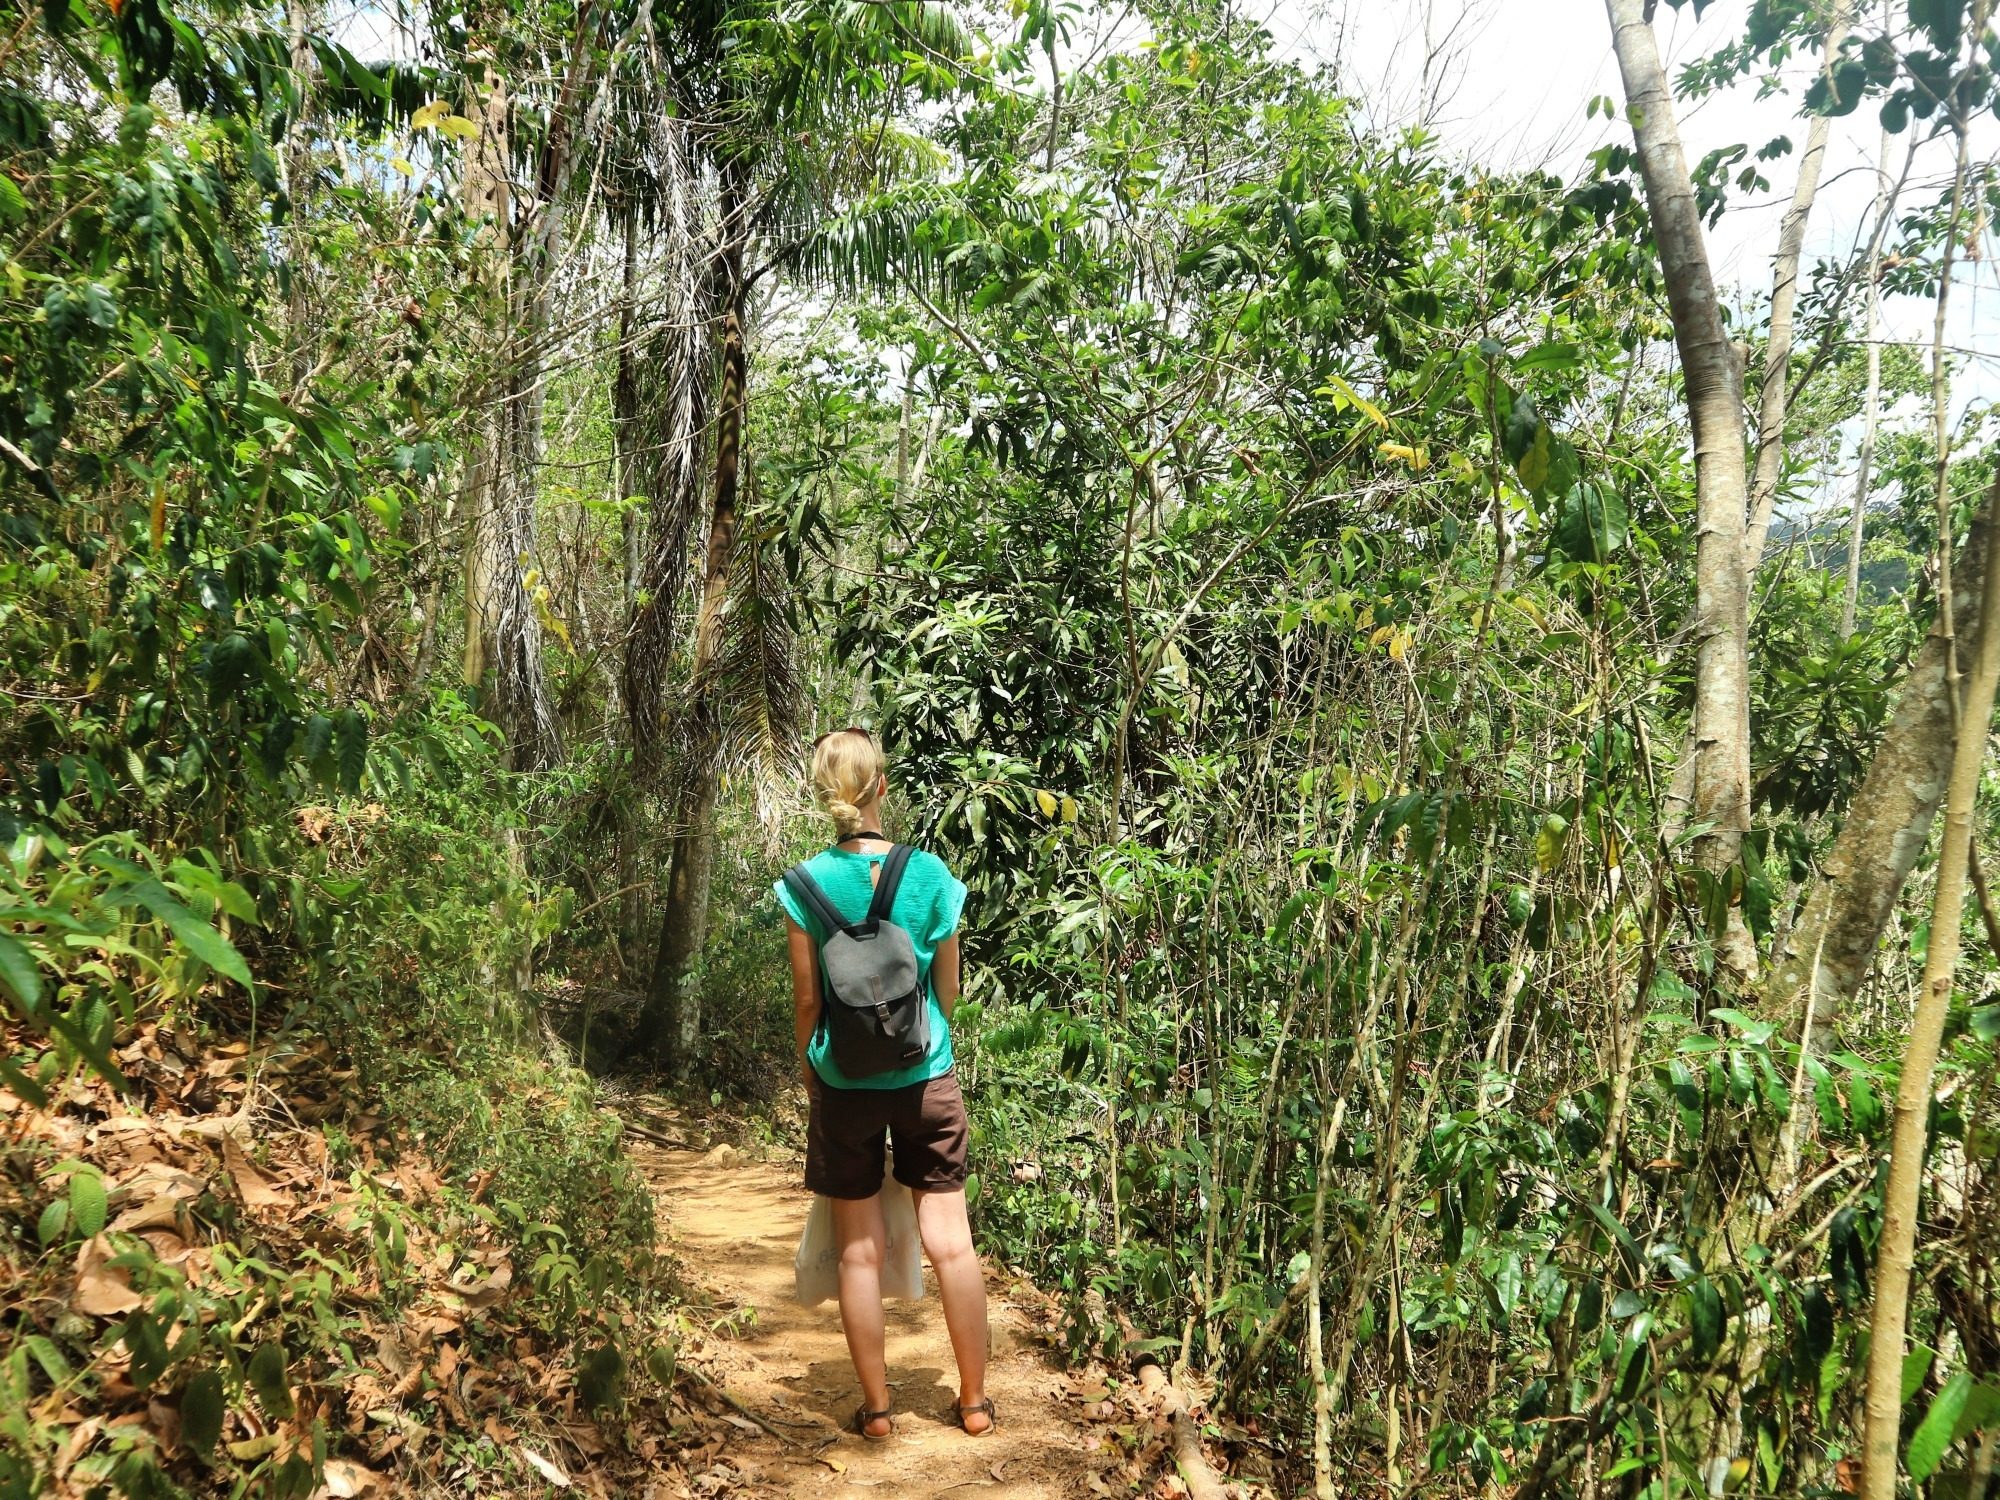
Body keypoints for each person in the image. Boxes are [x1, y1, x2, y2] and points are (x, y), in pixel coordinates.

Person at [775, 728, 996, 1441]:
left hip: (844, 1085)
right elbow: (950, 987)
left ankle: (876, 1410)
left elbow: (809, 1004)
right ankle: (972, 1403)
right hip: (926, 1076)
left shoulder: (804, 885)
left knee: (859, 1250)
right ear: (880, 788)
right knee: (952, 1243)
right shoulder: (930, 874)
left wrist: (812, 1069)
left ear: (825, 794)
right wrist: (924, 1037)